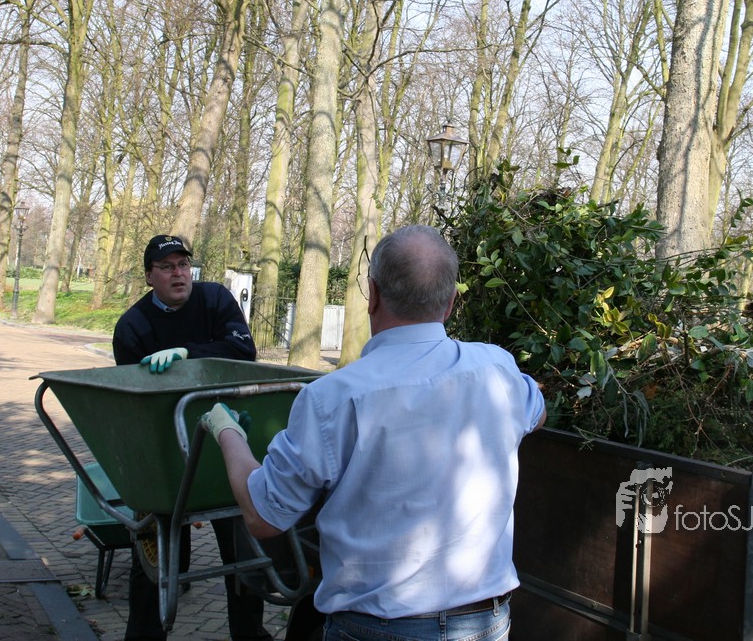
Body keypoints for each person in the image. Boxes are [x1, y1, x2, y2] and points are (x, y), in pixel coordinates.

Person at [202, 224, 547, 641]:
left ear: (374, 294)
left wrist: (227, 432)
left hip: (374, 629)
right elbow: (537, 413)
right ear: (451, 303)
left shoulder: (331, 398)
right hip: (484, 624)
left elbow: (263, 517)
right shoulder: (498, 369)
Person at [112, 234, 268, 641]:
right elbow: (133, 401)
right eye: (166, 267)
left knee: (244, 557)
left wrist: (186, 354)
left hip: (225, 451)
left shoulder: (215, 299)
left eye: (183, 265)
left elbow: (243, 351)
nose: (179, 274)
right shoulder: (132, 327)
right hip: (165, 456)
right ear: (149, 276)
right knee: (154, 560)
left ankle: (249, 635)